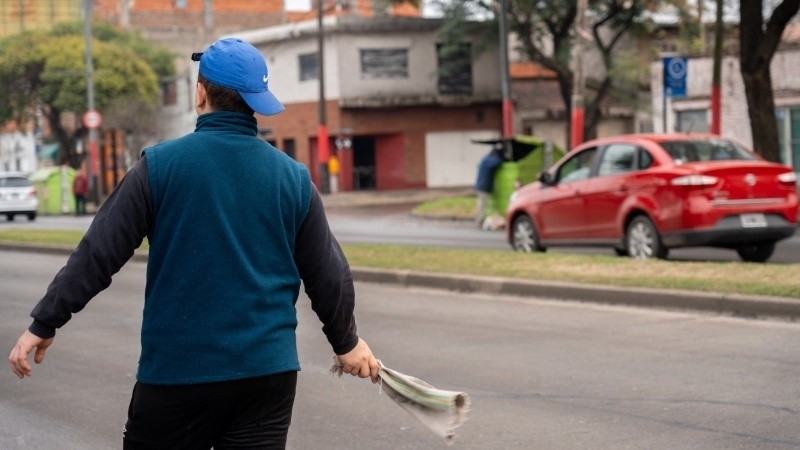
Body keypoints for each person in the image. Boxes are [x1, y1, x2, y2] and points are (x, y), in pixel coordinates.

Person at [8, 37, 379, 449]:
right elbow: (330, 273)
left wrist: (45, 322)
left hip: (179, 375)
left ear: (200, 93)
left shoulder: (159, 167)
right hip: (267, 377)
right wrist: (346, 342)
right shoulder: (293, 178)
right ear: (257, 100)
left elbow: (98, 254)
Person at [473, 145, 505, 226]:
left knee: (481, 204)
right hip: (483, 186)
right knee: (482, 205)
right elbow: (498, 162)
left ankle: (480, 220)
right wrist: (502, 157)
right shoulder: (489, 160)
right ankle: (479, 221)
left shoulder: (486, 158)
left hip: (481, 185)